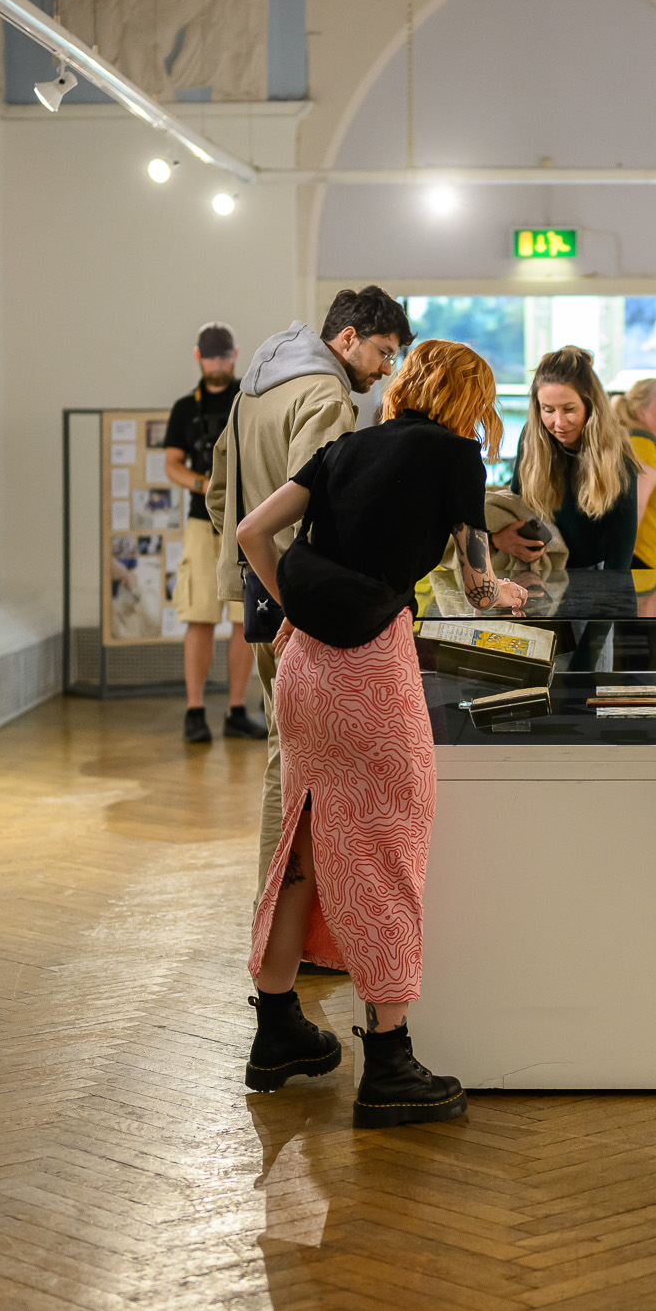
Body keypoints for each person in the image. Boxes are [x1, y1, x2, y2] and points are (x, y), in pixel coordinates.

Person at [235, 339, 525, 1129]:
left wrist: (292, 606)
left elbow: (251, 533)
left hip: (302, 668)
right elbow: (471, 582)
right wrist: (506, 589)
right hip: (370, 664)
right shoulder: (459, 455)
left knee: (302, 841)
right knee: (386, 848)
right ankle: (390, 1060)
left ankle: (276, 1029)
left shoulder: (346, 445)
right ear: (470, 398)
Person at [207, 286, 412, 890]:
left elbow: (221, 492)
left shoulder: (256, 388)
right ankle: (277, 939)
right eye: (383, 351)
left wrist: (252, 567)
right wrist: (299, 594)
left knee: (290, 758)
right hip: (301, 603)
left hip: (261, 591)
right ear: (346, 338)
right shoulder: (325, 394)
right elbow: (316, 513)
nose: (386, 369)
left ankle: (288, 936)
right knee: (292, 767)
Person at [165, 322, 266, 744]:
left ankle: (237, 708)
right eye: (211, 357)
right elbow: (172, 463)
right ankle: (194, 709)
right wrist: (204, 485)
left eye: (224, 356)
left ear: (236, 355)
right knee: (200, 616)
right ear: (198, 357)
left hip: (245, 524)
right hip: (202, 523)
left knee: (246, 621)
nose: (218, 364)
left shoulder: (251, 399)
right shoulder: (185, 408)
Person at [494, 347, 638, 572]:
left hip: (595, 576)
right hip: (538, 570)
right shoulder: (530, 437)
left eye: (569, 409)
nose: (559, 423)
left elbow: (621, 549)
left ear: (591, 407)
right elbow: (517, 507)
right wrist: (498, 539)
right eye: (548, 410)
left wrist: (612, 601)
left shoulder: (616, 451)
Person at [612, 378, 656, 569]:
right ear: (641, 410)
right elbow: (636, 506)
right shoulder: (643, 445)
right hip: (636, 560)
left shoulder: (645, 444)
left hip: (639, 559)